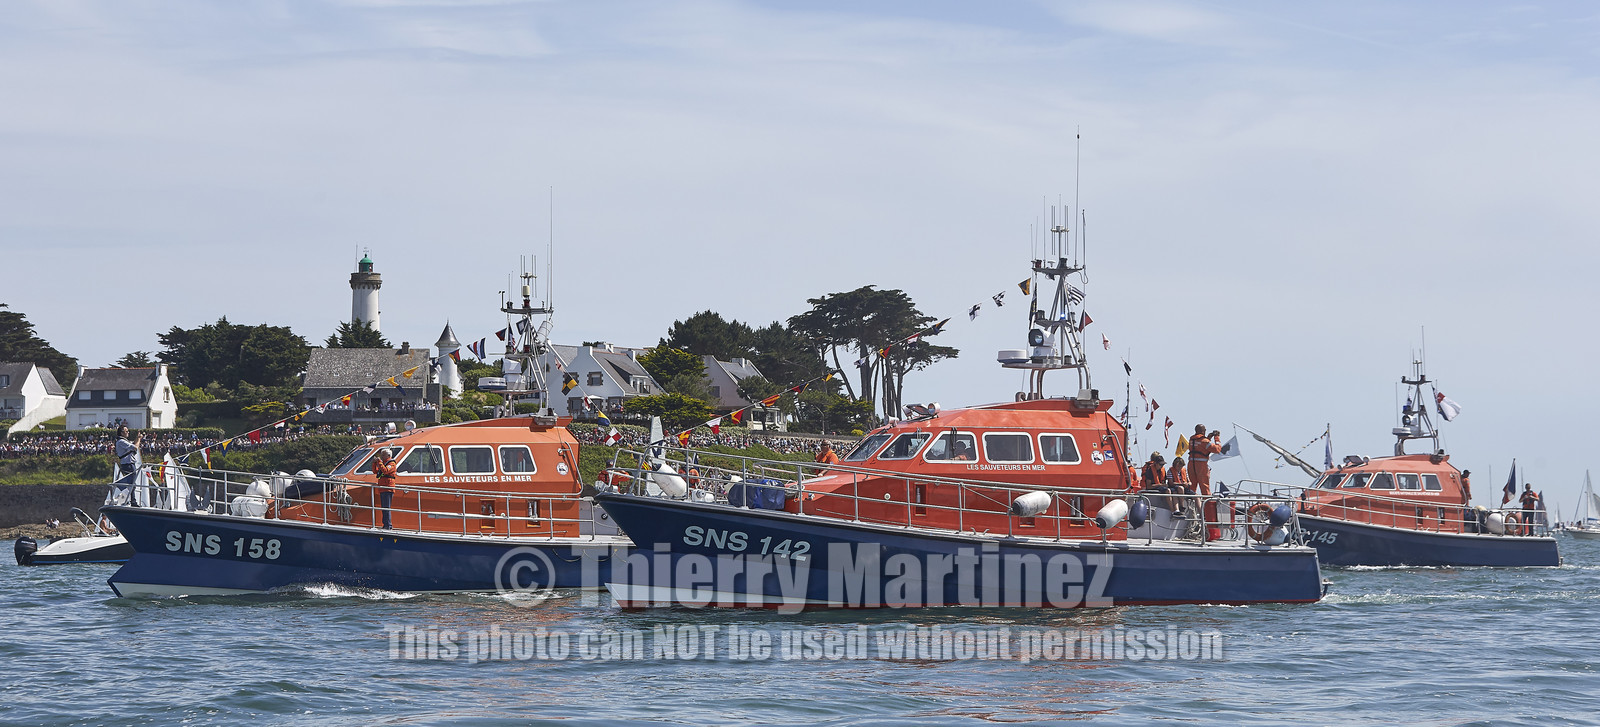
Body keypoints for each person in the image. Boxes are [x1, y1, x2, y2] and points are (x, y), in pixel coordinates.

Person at [114, 425, 143, 506]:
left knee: (132, 483)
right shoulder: (121, 442)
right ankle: (132, 501)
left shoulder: (124, 441)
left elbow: (133, 444)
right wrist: (139, 439)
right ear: (122, 433)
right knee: (132, 484)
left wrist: (137, 437)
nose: (128, 432)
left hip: (130, 464)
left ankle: (130, 500)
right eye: (126, 431)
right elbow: (135, 447)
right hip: (128, 464)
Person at [372, 448, 399, 529]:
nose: (381, 456)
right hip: (383, 488)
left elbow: (385, 471)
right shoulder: (383, 463)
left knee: (386, 508)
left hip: (388, 488)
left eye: (383, 455)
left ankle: (388, 526)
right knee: (384, 508)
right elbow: (376, 471)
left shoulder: (392, 464)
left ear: (388, 455)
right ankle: (385, 525)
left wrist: (379, 462)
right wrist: (374, 463)